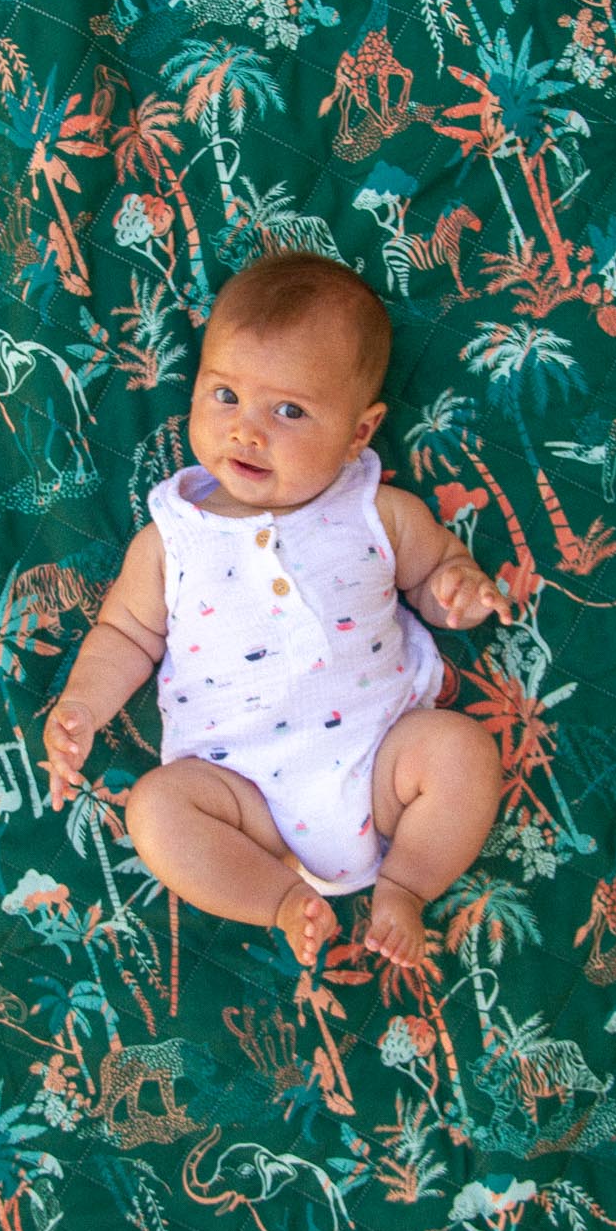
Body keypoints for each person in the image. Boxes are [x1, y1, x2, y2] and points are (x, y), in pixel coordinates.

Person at [43, 253, 509, 969]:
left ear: (359, 433)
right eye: (225, 395)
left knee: (462, 751)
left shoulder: (377, 512)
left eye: (289, 411)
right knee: (156, 810)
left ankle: (406, 886)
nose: (247, 431)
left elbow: (432, 576)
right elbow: (126, 633)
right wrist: (82, 705)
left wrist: (459, 591)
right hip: (242, 795)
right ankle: (281, 900)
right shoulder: (171, 539)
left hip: (381, 761)